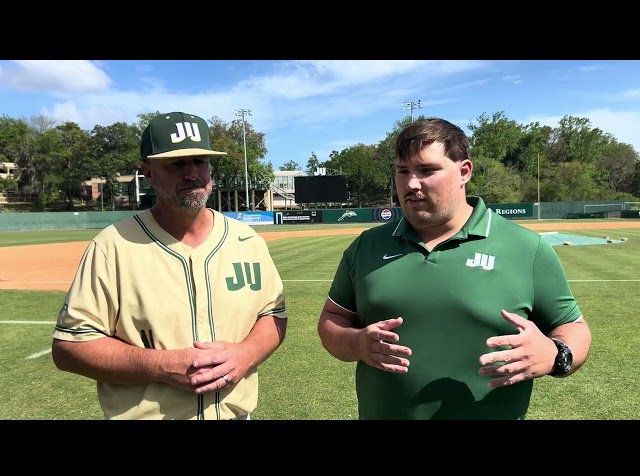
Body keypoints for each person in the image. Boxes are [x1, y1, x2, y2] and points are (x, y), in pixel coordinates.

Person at [317, 117, 592, 420]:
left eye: (427, 170)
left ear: (464, 172)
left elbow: (573, 328)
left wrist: (556, 355)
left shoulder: (525, 247)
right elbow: (333, 319)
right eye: (402, 171)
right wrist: (356, 343)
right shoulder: (366, 247)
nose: (411, 184)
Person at [52, 111, 287, 420]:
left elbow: (273, 315)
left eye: (199, 161)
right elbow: (70, 347)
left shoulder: (248, 241)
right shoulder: (112, 247)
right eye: (176, 164)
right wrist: (161, 366)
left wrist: (247, 354)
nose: (192, 173)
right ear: (148, 173)